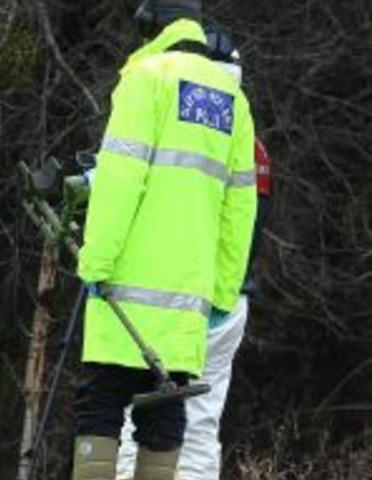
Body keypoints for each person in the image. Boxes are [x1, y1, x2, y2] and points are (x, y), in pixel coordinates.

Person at [72, 1, 258, 479]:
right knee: (165, 411)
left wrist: (95, 261)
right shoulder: (233, 102)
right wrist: (221, 288)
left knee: (100, 408)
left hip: (123, 290)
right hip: (186, 301)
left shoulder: (146, 78)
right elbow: (241, 207)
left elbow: (118, 180)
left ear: (149, 23)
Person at [114, 27, 274, 480]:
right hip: (228, 299)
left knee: (135, 418)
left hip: (168, 295)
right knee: (201, 426)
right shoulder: (250, 140)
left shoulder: (178, 129)